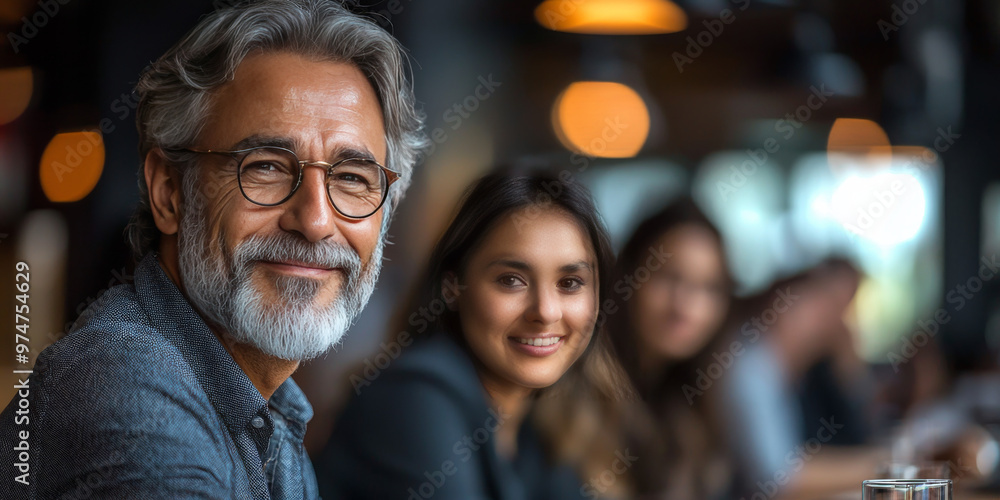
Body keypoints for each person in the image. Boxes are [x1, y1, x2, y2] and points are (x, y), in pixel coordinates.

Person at [0, 0, 426, 497]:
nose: (314, 221)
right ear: (169, 193)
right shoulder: (124, 387)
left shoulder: (268, 405)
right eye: (265, 166)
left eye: (352, 178)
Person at [314, 173, 634, 500]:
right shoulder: (415, 398)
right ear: (452, 286)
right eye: (511, 280)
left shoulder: (539, 424)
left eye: (570, 283)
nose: (547, 312)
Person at [607, 198, 736, 500]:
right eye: (668, 277)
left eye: (709, 287)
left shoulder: (685, 404)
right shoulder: (585, 393)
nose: (686, 307)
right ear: (628, 276)